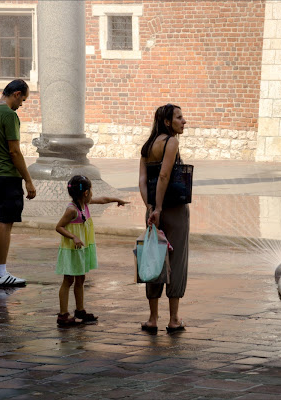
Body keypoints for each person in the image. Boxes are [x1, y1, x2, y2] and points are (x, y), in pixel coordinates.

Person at [138, 104, 190, 334]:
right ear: (168, 122)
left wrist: (149, 207)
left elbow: (142, 180)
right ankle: (174, 319)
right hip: (173, 209)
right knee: (176, 259)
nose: (184, 121)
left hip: (152, 210)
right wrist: (159, 206)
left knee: (153, 257)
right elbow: (165, 175)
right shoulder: (171, 142)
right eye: (179, 117)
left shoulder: (148, 146)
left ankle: (152, 318)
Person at [0, 79, 36, 287]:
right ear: (16, 94)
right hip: (7, 177)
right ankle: (2, 273)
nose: (22, 104)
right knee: (5, 223)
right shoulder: (9, 115)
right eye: (23, 99)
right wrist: (28, 180)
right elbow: (14, 151)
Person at [55, 175, 129, 326]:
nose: (93, 193)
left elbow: (103, 199)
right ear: (86, 192)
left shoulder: (84, 203)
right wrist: (73, 237)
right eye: (91, 190)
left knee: (81, 279)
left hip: (81, 248)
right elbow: (59, 227)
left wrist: (117, 199)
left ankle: (80, 310)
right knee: (68, 280)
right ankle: (63, 315)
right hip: (71, 249)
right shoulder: (72, 210)